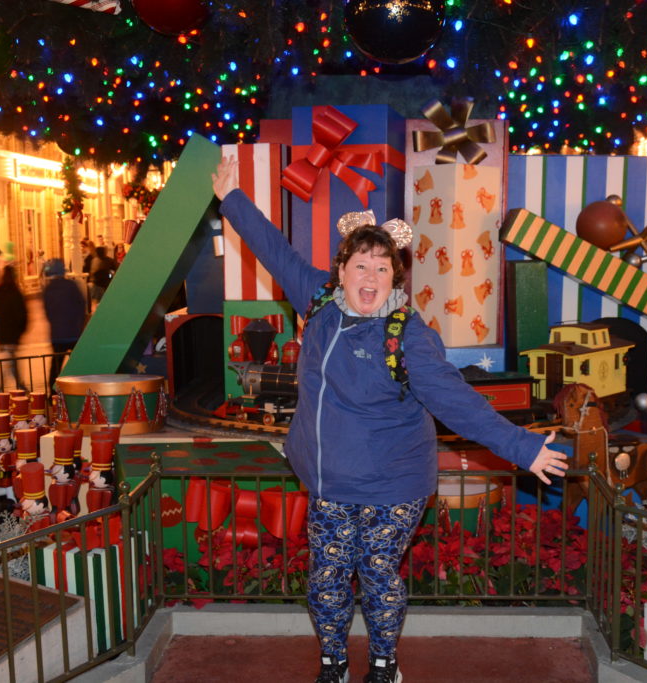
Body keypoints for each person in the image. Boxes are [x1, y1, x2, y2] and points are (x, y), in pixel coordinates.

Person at [212, 157, 568, 683]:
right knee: (328, 578)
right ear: (340, 271)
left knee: (377, 572)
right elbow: (274, 249)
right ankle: (333, 662)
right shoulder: (319, 302)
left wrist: (523, 447)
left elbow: (458, 401)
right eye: (361, 265)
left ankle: (383, 664)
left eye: (382, 267)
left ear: (395, 277)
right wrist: (232, 199)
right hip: (330, 479)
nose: (370, 277)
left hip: (393, 482)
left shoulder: (408, 338)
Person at [42, 258, 86, 388]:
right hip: (74, 332)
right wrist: (79, 323)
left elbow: (47, 311)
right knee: (78, 363)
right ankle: (80, 388)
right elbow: (81, 305)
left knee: (56, 365)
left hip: (57, 334)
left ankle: (53, 391)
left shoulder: (48, 289)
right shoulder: (72, 286)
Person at [0, 265, 28, 391]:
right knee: (8, 361)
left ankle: (16, 386)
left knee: (9, 360)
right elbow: (22, 315)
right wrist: (21, 329)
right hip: (13, 332)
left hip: (2, 331)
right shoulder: (16, 293)